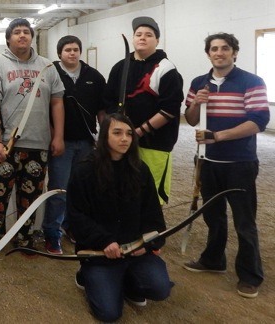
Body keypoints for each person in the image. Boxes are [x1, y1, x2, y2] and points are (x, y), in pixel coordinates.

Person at [183, 33, 269, 299]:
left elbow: (258, 122)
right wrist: (197, 103)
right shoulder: (199, 83)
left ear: (234, 52)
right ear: (208, 53)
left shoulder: (251, 82)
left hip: (239, 163)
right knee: (214, 216)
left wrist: (218, 136)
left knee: (244, 221)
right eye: (214, 49)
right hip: (208, 161)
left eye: (225, 48)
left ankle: (250, 274)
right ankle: (213, 260)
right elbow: (190, 118)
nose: (219, 53)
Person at [64, 113, 171, 323]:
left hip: (136, 252)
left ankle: (131, 284)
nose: (125, 138)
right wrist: (104, 241)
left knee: (160, 289)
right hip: (100, 254)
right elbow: (76, 216)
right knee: (109, 313)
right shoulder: (85, 170)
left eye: (129, 133)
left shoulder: (140, 170)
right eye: (117, 133)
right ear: (104, 137)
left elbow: (153, 216)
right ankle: (85, 276)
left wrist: (147, 245)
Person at [0, 18, 65, 248]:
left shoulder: (48, 66)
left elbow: (57, 103)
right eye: (16, 32)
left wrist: (58, 136)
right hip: (5, 145)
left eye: (26, 32)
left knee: (30, 198)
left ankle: (24, 239)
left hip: (38, 143)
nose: (22, 35)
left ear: (32, 37)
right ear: (8, 38)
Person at [103, 16, 184, 205]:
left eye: (149, 35)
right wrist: (116, 130)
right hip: (121, 142)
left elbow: (170, 109)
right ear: (132, 38)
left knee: (150, 194)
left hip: (154, 143)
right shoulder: (120, 67)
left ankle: (150, 232)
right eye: (138, 34)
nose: (142, 38)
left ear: (157, 40)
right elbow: (109, 100)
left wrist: (137, 132)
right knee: (121, 188)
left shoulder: (166, 69)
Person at [42, 35, 106, 254]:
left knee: (80, 189)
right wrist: (54, 137)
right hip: (62, 143)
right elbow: (45, 109)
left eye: (76, 49)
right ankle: (52, 233)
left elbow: (102, 110)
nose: (72, 53)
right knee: (59, 190)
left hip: (87, 143)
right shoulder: (51, 73)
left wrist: (106, 138)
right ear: (59, 53)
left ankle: (72, 226)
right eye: (67, 49)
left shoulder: (94, 76)